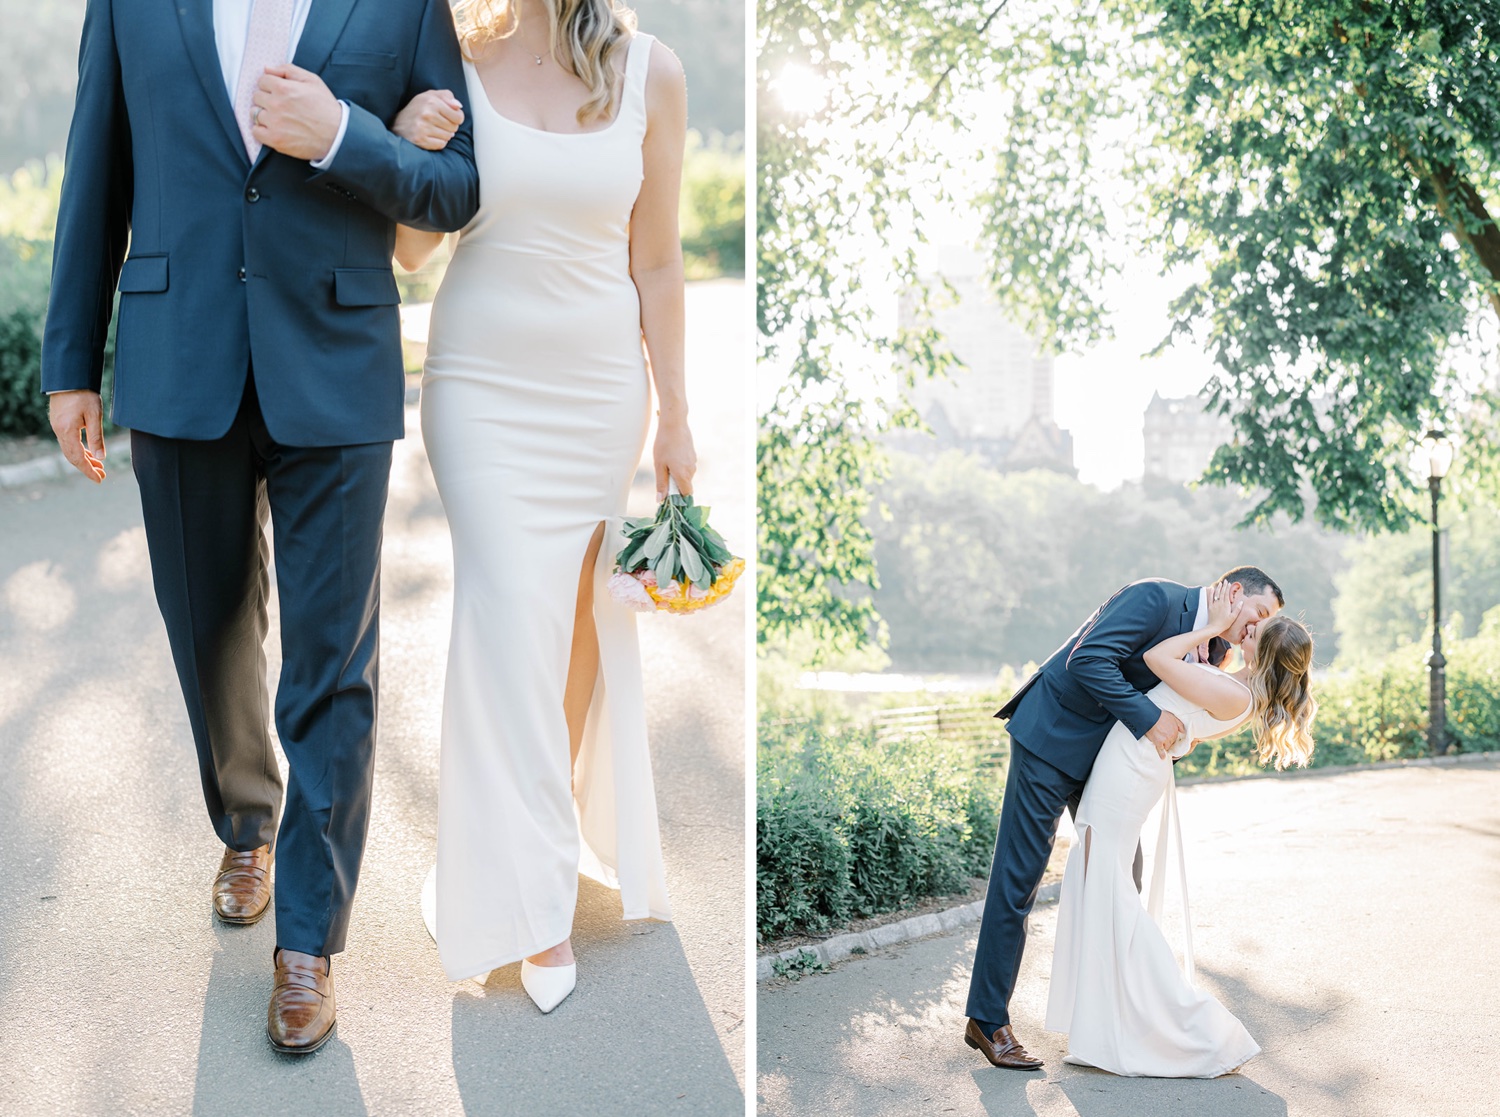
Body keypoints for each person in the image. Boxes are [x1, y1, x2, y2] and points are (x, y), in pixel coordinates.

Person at [42, 0, 479, 1054]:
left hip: (333, 357)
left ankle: (308, 941)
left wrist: (341, 134)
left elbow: (459, 186)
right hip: (176, 351)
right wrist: (69, 366)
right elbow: (95, 169)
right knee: (210, 628)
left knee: (333, 664)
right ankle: (246, 821)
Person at [389, 0, 692, 1012]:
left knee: (572, 634)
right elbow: (409, 250)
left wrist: (677, 418)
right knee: (503, 617)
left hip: (599, 394)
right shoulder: (452, 57)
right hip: (479, 385)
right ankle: (531, 901)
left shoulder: (651, 70)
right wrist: (403, 143)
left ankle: (539, 829)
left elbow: (657, 262)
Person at [964, 567, 1284, 1069]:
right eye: (1259, 613)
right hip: (1052, 739)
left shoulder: (1217, 652)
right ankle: (988, 1020)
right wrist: (1151, 721)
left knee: (1120, 878)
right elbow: (1087, 659)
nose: (1256, 628)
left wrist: (1172, 732)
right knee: (1018, 879)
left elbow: (1187, 720)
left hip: (1106, 767)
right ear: (1235, 592)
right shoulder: (1154, 598)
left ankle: (1108, 1013)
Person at [1045, 583, 1316, 1076]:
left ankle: (1182, 1021)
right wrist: (1209, 644)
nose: (1248, 629)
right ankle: (1107, 1016)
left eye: (1258, 631)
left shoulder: (1232, 691)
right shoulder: (1232, 685)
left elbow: (1155, 658)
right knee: (1099, 878)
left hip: (1128, 773)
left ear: (1266, 651)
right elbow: (1182, 687)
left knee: (1106, 882)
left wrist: (1212, 628)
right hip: (1131, 764)